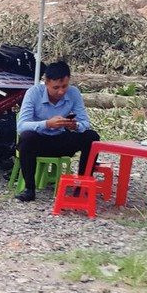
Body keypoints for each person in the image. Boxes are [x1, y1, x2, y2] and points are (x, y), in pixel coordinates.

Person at [14, 61, 100, 202]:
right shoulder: (33, 93)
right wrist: (47, 124)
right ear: (46, 82)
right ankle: (29, 189)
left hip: (62, 138)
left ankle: (82, 186)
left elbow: (85, 123)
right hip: (39, 141)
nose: (60, 91)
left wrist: (75, 126)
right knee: (27, 137)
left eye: (64, 86)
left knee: (92, 137)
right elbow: (22, 126)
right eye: (56, 87)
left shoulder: (74, 93)